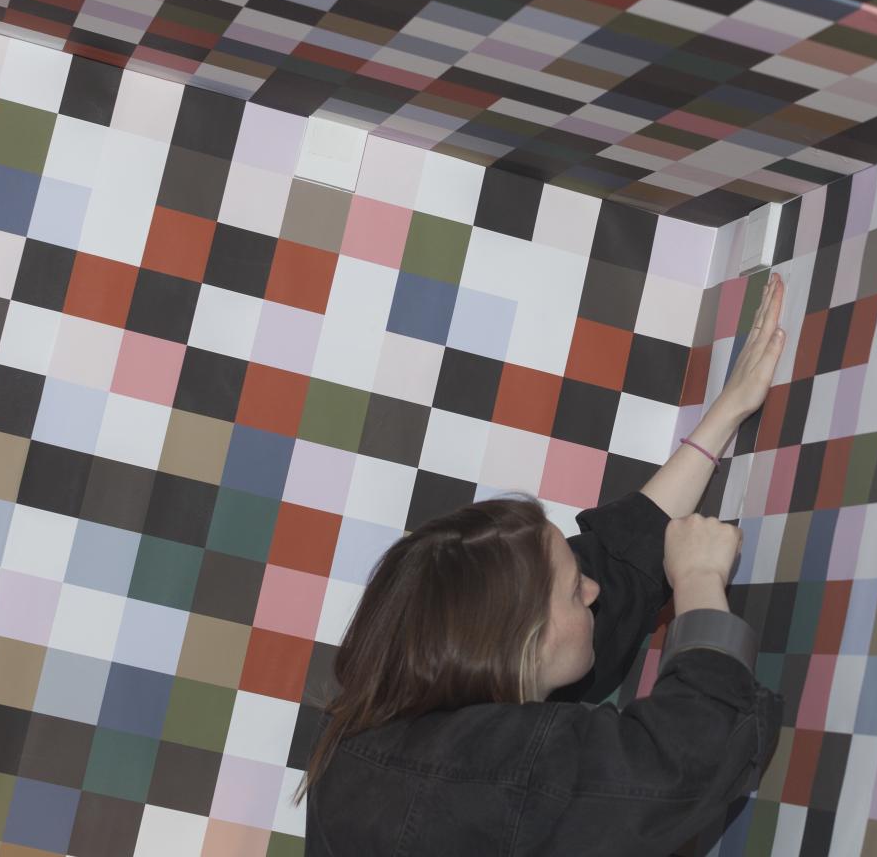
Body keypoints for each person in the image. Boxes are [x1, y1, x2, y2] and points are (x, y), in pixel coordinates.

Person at [298, 273, 793, 856]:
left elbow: (612, 565)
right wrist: (700, 581)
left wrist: (726, 415)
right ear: (515, 641)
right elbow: (689, 753)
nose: (590, 590)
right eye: (570, 592)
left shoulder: (378, 737)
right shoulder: (486, 771)